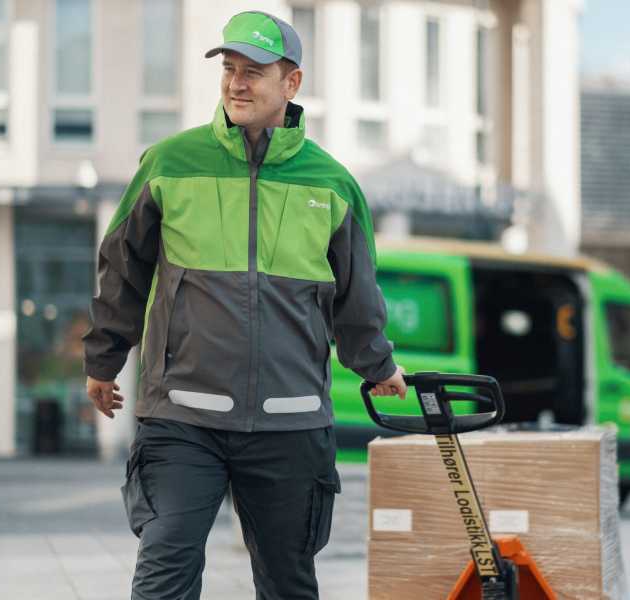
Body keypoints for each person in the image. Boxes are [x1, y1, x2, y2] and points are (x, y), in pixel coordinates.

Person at [82, 10, 407, 599]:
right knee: (165, 570)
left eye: (253, 71)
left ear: (291, 83)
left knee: (288, 583)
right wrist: (103, 361)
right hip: (184, 413)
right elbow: (122, 268)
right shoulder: (169, 164)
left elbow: (356, 293)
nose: (236, 82)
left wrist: (377, 364)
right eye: (229, 69)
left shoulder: (332, 184)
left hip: (291, 418)